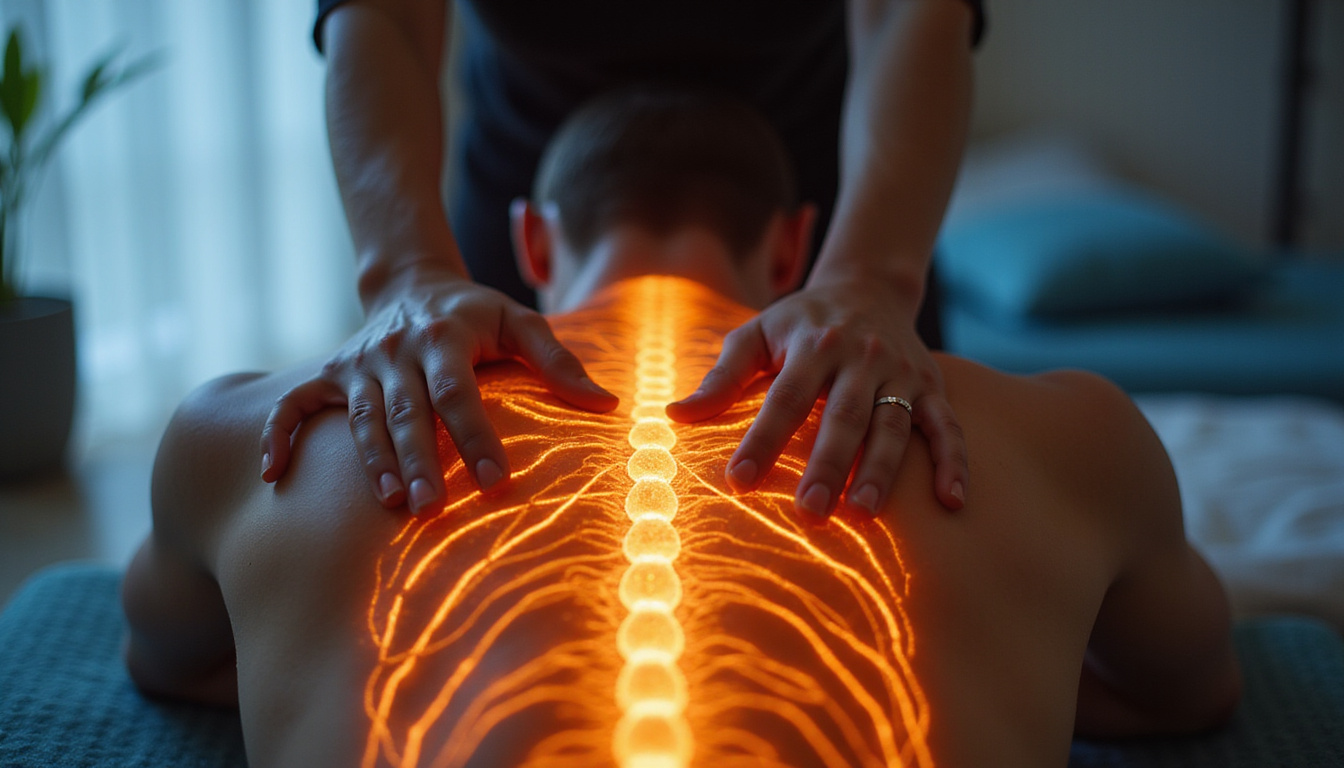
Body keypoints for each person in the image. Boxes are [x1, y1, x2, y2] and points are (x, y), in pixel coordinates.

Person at [124, 91, 1240, 768]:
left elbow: (166, 654)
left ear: (533, 244)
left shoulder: (245, 427)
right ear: (792, 248)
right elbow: (1186, 687)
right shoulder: (1073, 432)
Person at [258, 0, 985, 522]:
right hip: (537, 181)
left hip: (841, 211)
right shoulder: (1079, 430)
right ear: (531, 247)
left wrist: (871, 278)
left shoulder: (222, 433)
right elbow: (383, 15)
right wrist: (404, 276)